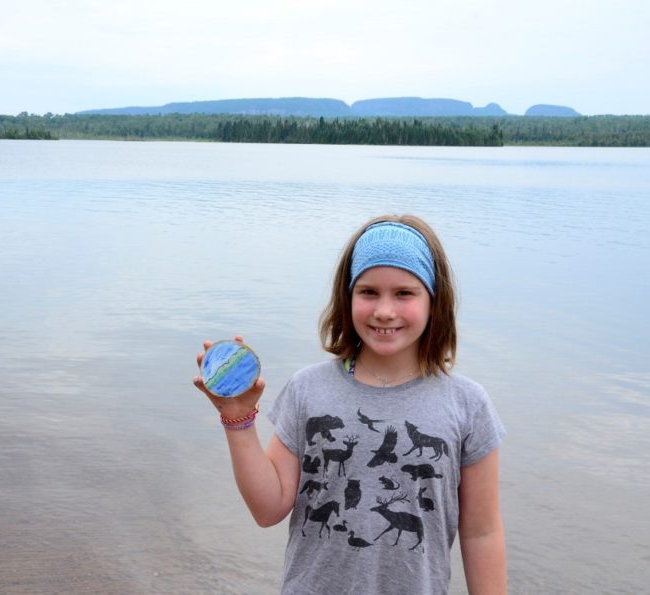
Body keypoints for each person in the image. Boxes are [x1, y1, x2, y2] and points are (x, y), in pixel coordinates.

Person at [193, 214, 507, 594]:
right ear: (348, 297)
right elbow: (268, 508)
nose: (384, 311)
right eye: (369, 292)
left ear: (433, 302)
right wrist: (238, 420)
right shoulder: (308, 389)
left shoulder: (467, 405)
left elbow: (482, 533)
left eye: (404, 293)